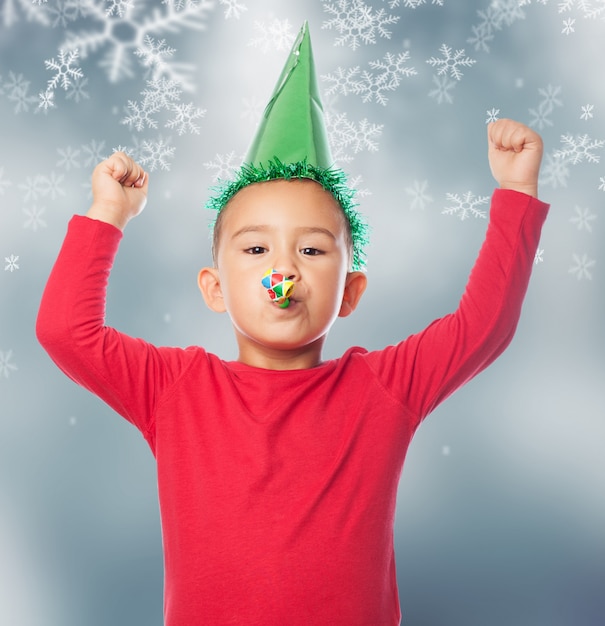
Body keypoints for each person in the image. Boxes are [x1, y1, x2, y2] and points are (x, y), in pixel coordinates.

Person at [37, 22, 549, 626]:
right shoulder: (175, 390)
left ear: (351, 291)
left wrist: (516, 189)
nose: (283, 268)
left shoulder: (382, 388)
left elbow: (482, 326)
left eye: (311, 250)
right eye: (256, 251)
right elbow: (66, 332)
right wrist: (109, 212)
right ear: (215, 288)